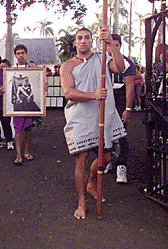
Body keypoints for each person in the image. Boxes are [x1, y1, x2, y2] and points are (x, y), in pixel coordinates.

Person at [60, 27, 126, 219]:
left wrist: (111, 43)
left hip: (103, 116)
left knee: (107, 156)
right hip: (79, 118)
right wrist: (93, 95)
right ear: (75, 42)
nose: (83, 41)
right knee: (81, 160)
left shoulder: (101, 60)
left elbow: (120, 68)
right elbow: (69, 93)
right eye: (79, 38)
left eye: (87, 38)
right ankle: (81, 201)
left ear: (92, 41)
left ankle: (91, 183)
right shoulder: (68, 66)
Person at [103, 34, 135, 184]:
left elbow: (130, 88)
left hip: (120, 97)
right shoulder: (101, 61)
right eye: (109, 45)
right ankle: (107, 159)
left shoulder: (127, 64)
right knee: (103, 132)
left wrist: (128, 108)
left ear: (120, 46)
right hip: (105, 97)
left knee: (120, 132)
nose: (111, 48)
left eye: (115, 45)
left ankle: (121, 165)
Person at [11, 44, 41, 165]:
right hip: (17, 105)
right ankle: (18, 155)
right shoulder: (10, 71)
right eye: (18, 53)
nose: (20, 55)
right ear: (15, 55)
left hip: (29, 103)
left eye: (22, 53)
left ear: (26, 54)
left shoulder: (33, 69)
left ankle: (26, 152)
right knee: (18, 129)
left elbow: (38, 84)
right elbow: (9, 88)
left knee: (28, 128)